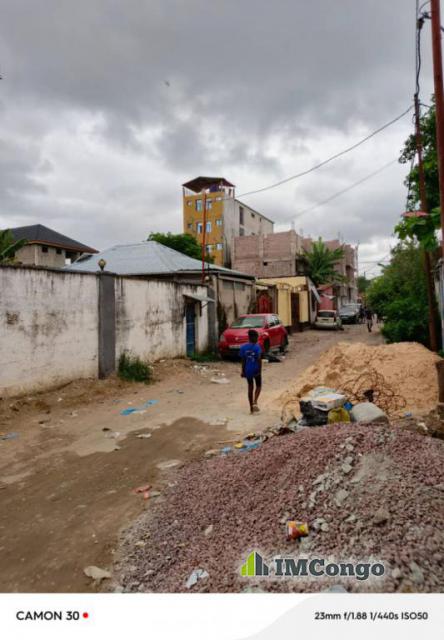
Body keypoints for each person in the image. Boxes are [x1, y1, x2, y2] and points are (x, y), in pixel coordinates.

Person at [240, 329, 263, 414]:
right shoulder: (257, 347)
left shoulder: (243, 347)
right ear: (254, 337)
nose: (257, 339)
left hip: (248, 370)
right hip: (256, 369)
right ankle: (255, 401)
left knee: (250, 387)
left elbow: (243, 361)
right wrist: (259, 371)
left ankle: (251, 408)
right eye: (257, 337)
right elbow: (259, 359)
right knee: (259, 386)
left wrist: (243, 371)